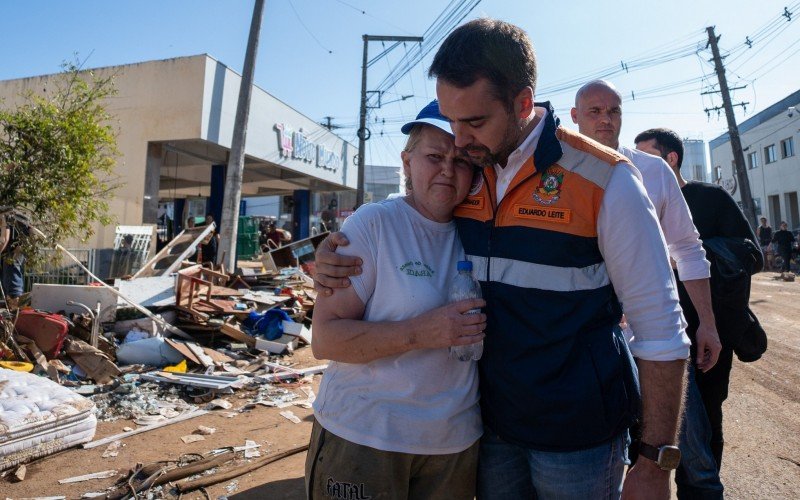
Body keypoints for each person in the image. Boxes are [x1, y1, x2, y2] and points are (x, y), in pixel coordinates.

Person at [316, 19, 689, 500]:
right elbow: (409, 230)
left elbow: (660, 327)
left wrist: (658, 460)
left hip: (578, 442)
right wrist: (331, 251)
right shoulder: (473, 176)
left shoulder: (606, 180)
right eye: (452, 122)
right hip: (489, 436)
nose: (460, 141)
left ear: (523, 104)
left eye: (474, 122)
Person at [305, 101, 486, 499]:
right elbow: (326, 340)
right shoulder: (374, 225)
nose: (446, 169)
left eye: (460, 161)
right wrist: (419, 333)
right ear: (407, 162)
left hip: (452, 446)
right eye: (434, 156)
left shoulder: (482, 233)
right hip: (366, 437)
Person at [571, 81, 723, 498]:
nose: (605, 119)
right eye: (595, 111)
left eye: (613, 111)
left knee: (685, 451)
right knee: (599, 458)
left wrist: (706, 324)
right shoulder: (557, 176)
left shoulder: (653, 171)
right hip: (589, 343)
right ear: (575, 117)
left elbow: (689, 250)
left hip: (656, 339)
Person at [635, 127, 759, 474]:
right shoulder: (636, 199)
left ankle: (704, 486)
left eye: (647, 156)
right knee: (644, 424)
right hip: (655, 334)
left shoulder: (712, 198)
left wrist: (690, 254)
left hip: (708, 330)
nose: (639, 165)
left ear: (670, 158)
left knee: (707, 417)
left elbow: (751, 256)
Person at [0, 214, 24, 310]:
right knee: (8, 281)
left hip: (13, 251)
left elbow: (3, 240)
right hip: (14, 250)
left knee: (11, 283)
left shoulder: (4, 215)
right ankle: (12, 309)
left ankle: (14, 311)